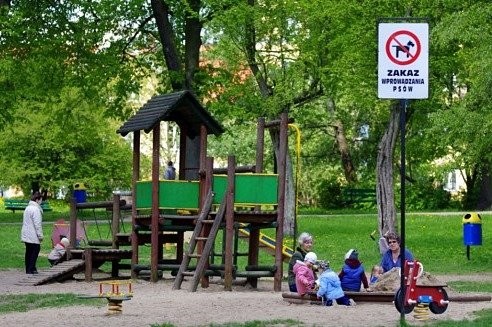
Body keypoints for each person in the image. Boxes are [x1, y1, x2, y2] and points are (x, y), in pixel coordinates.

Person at [20, 191, 44, 274]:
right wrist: (40, 236)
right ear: (37, 200)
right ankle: (31, 268)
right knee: (36, 249)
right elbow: (37, 224)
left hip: (26, 233)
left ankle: (29, 269)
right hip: (33, 234)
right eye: (41, 200)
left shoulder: (28, 208)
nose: (41, 202)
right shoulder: (36, 209)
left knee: (29, 250)